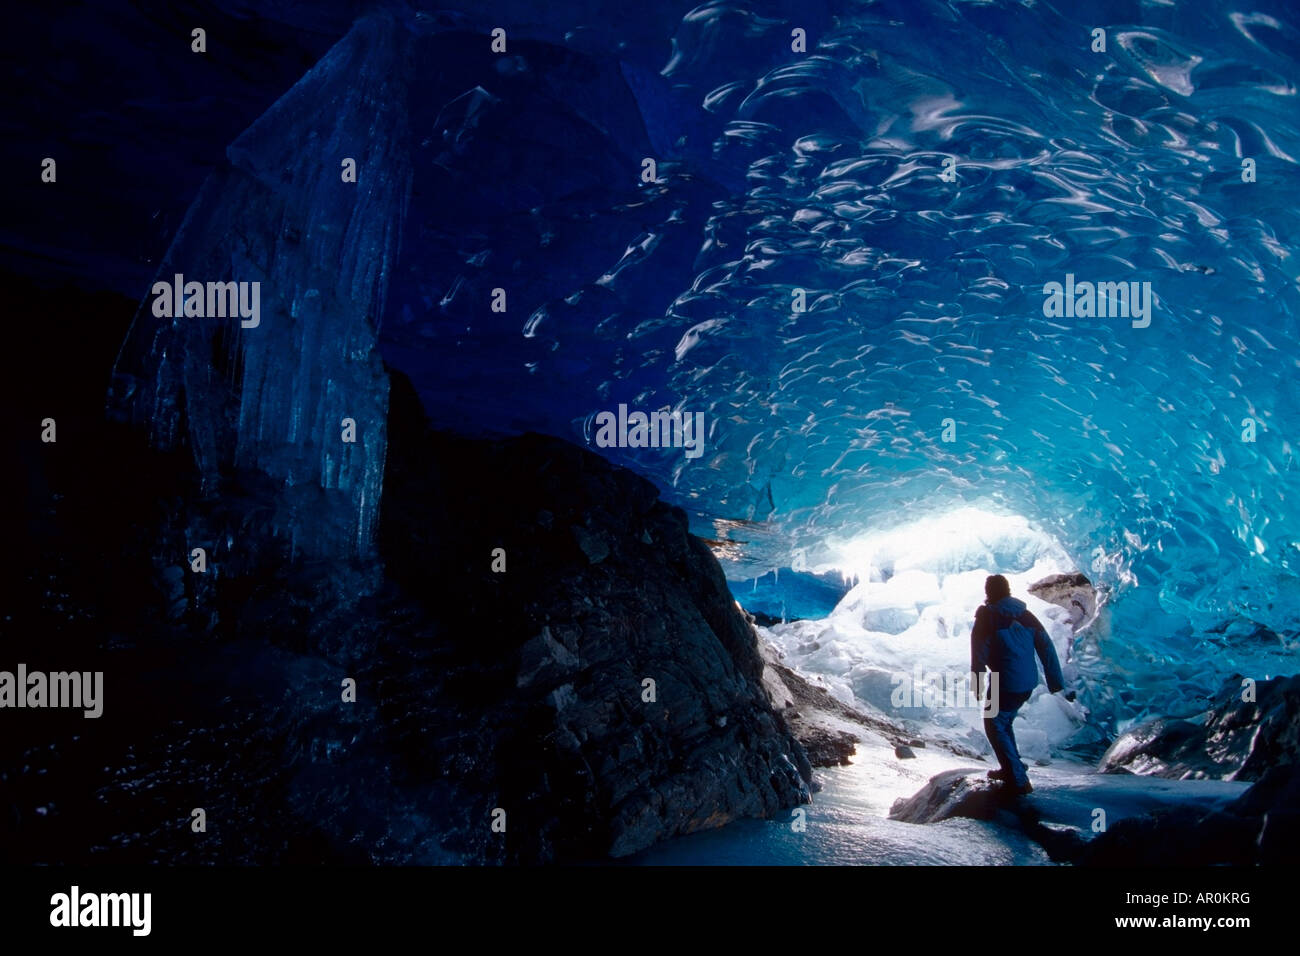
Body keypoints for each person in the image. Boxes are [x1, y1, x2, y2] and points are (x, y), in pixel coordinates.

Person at [970, 574, 1069, 795]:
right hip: (1027, 682)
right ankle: (1012, 766)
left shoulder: (987, 617)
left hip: (1002, 681)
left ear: (989, 592)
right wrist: (1055, 682)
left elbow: (978, 654)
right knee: (1004, 722)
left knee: (994, 725)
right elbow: (1047, 647)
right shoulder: (1026, 615)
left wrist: (976, 684)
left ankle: (1016, 777)